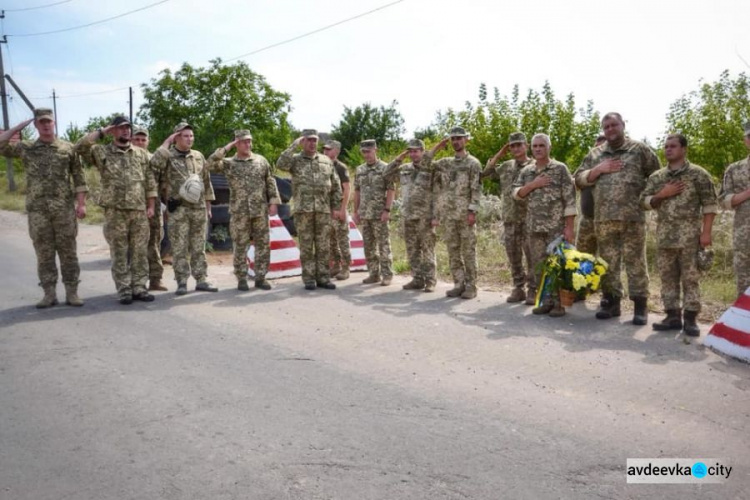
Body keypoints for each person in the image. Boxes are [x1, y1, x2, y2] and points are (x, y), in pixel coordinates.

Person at [575, 112, 660, 325]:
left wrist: (647, 199)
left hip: (632, 218)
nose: (610, 129)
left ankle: (640, 307)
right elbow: (578, 179)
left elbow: (658, 176)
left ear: (623, 125)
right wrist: (596, 171)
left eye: (614, 125)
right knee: (608, 263)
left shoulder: (639, 150)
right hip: (603, 220)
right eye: (606, 126)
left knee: (636, 262)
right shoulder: (595, 154)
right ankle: (612, 302)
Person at [0, 109, 87, 308]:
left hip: (64, 210)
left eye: (49, 121)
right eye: (41, 122)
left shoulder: (68, 148)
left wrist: (81, 204)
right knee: (44, 253)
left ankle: (72, 293)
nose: (46, 125)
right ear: (36, 125)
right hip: (38, 211)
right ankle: (49, 294)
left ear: (54, 123)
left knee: (69, 252)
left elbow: (79, 179)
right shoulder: (26, 147)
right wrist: (17, 127)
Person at [641, 133, 717, 336]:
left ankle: (691, 319)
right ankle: (672, 316)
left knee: (690, 278)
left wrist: (706, 232)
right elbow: (644, 201)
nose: (668, 149)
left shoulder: (698, 174)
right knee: (668, 277)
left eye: (673, 146)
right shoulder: (658, 177)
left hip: (690, 237)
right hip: (665, 236)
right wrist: (661, 194)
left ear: (684, 149)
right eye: (665, 146)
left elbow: (710, 204)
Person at [76, 116, 157, 304]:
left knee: (139, 251)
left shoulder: (141, 154)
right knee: (119, 251)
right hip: (115, 211)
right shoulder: (101, 151)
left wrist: (151, 205)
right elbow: (80, 147)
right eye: (120, 128)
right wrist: (102, 131)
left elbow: (150, 180)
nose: (125, 131)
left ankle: (139, 287)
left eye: (128, 128)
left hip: (138, 210)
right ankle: (124, 289)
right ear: (113, 131)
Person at [513, 133, 577, 317]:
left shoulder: (560, 169)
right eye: (535, 146)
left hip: (555, 228)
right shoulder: (527, 172)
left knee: (556, 266)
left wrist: (569, 227)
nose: (538, 149)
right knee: (539, 266)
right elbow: (516, 194)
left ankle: (558, 304)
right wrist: (533, 185)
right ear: (531, 149)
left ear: (549, 147)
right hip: (534, 227)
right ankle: (546, 301)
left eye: (542, 145)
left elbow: (570, 200)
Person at [208, 130, 280, 291]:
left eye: (249, 141)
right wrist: (226, 148)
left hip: (259, 210)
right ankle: (241, 277)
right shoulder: (228, 163)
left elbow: (270, 181)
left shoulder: (261, 161)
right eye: (243, 142)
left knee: (263, 244)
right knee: (240, 245)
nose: (248, 144)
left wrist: (274, 202)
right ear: (237, 144)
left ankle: (261, 277)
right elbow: (210, 164)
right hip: (239, 211)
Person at [150, 122, 217, 296]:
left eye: (191, 136)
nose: (189, 139)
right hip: (178, 209)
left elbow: (206, 182)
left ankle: (201, 279)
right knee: (179, 247)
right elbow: (154, 165)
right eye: (185, 136)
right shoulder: (168, 156)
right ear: (176, 137)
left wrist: (208, 206)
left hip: (198, 208)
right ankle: (181, 281)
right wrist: (167, 142)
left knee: (198, 246)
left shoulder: (198, 156)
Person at [276, 129, 342, 290]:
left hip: (323, 210)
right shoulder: (295, 160)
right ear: (303, 141)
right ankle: (309, 278)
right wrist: (293, 145)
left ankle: (323, 277)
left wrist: (336, 207)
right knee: (306, 246)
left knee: (323, 246)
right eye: (308, 140)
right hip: (303, 211)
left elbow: (336, 185)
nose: (312, 143)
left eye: (315, 140)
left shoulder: (326, 161)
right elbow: (280, 164)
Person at [424, 126, 482, 299]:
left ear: (466, 140)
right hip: (449, 216)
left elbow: (476, 189)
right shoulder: (446, 163)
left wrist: (472, 211)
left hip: (465, 215)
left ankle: (471, 286)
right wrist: (437, 147)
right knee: (453, 251)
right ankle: (459, 284)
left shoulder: (473, 163)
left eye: (459, 138)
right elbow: (425, 163)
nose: (456, 141)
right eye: (453, 139)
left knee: (468, 251)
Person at [481, 132, 534, 303]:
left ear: (526, 146)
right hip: (510, 218)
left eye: (519, 144)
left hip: (529, 218)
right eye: (512, 146)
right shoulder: (506, 166)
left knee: (532, 255)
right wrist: (499, 154)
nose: (516, 148)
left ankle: (533, 289)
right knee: (513, 255)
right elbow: (486, 173)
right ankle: (518, 288)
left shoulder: (534, 165)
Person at [383, 139, 437, 292]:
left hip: (425, 216)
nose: (413, 154)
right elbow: (386, 174)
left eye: (416, 151)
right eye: (410, 151)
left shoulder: (431, 168)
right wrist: (400, 158)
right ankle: (417, 279)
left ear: (422, 151)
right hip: (408, 215)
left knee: (427, 249)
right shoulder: (405, 168)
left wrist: (436, 215)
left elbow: (438, 192)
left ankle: (430, 280)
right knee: (412, 249)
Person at [353, 139, 396, 286]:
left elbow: (391, 190)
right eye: (364, 152)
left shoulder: (385, 168)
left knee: (383, 245)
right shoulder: (360, 170)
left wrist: (387, 210)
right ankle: (373, 273)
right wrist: (356, 211)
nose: (366, 154)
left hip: (379, 214)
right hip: (365, 214)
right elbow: (357, 191)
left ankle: (387, 274)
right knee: (368, 246)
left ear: (375, 150)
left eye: (369, 151)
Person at [131, 126, 168, 292]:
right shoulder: (127, 158)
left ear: (148, 141)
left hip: (154, 209)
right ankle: (136, 282)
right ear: (131, 140)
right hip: (132, 208)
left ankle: (155, 279)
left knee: (154, 245)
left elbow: (165, 182)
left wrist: (168, 206)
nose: (140, 142)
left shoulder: (155, 159)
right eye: (136, 139)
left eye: (143, 139)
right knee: (134, 247)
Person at [720, 122, 750, 298]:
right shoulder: (735, 169)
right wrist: (747, 193)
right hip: (744, 237)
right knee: (744, 285)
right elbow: (723, 201)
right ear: (745, 141)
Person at [323, 140, 352, 280]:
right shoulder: (323, 165)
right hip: (326, 210)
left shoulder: (340, 167)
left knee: (342, 240)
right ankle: (336, 266)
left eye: (329, 149)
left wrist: (342, 210)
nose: (325, 152)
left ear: (337, 151)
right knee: (331, 241)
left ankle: (346, 268)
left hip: (337, 209)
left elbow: (346, 189)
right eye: (325, 149)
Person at [576, 134, 606, 256]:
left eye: (601, 148)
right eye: (596, 148)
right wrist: (592, 174)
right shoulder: (588, 164)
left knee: (607, 260)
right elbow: (575, 181)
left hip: (608, 221)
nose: (597, 151)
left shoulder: (616, 165)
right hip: (587, 219)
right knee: (582, 259)